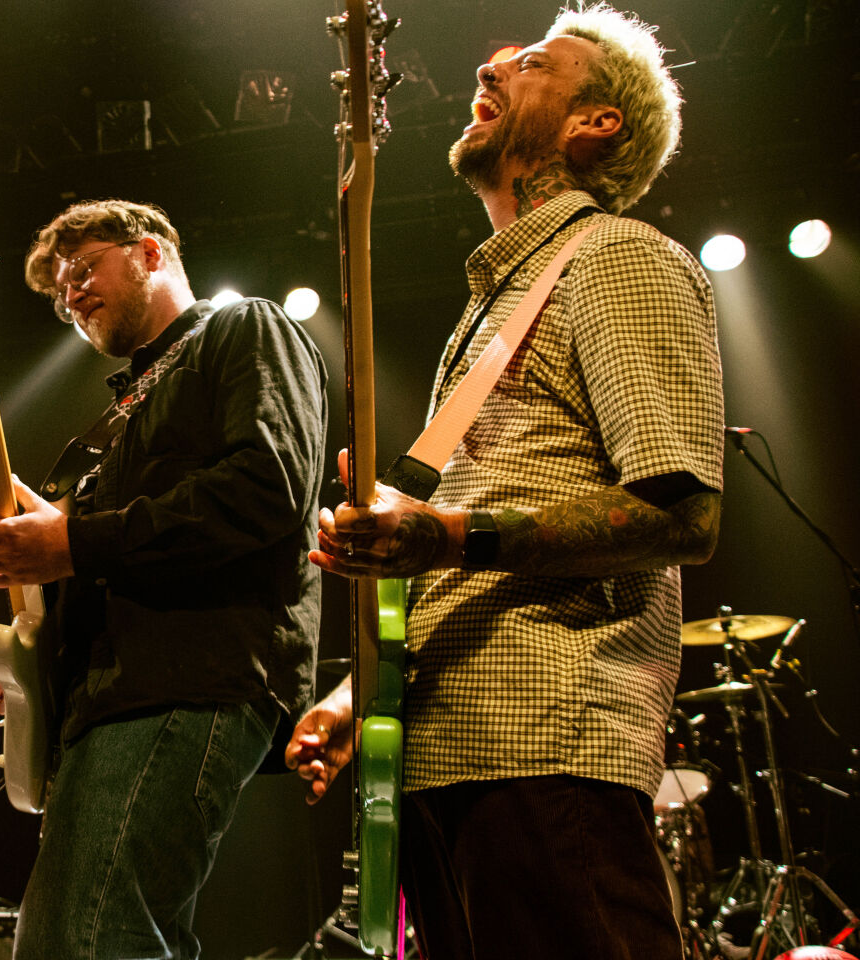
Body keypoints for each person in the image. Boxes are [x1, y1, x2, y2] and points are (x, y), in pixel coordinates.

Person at [285, 5, 723, 959]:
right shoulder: (494, 306)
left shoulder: (619, 257)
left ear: (594, 122)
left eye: (530, 64)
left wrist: (446, 534)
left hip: (547, 741)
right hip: (447, 753)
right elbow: (450, 556)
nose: (490, 70)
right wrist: (362, 697)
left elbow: (682, 512)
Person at [0, 199, 327, 959]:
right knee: (74, 937)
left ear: (151, 252)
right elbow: (119, 559)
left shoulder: (244, 327)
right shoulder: (122, 412)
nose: (72, 295)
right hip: (116, 695)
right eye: (60, 292)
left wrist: (72, 541)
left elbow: (266, 490)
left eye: (83, 268)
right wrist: (37, 659)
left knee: (92, 937)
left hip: (187, 678)